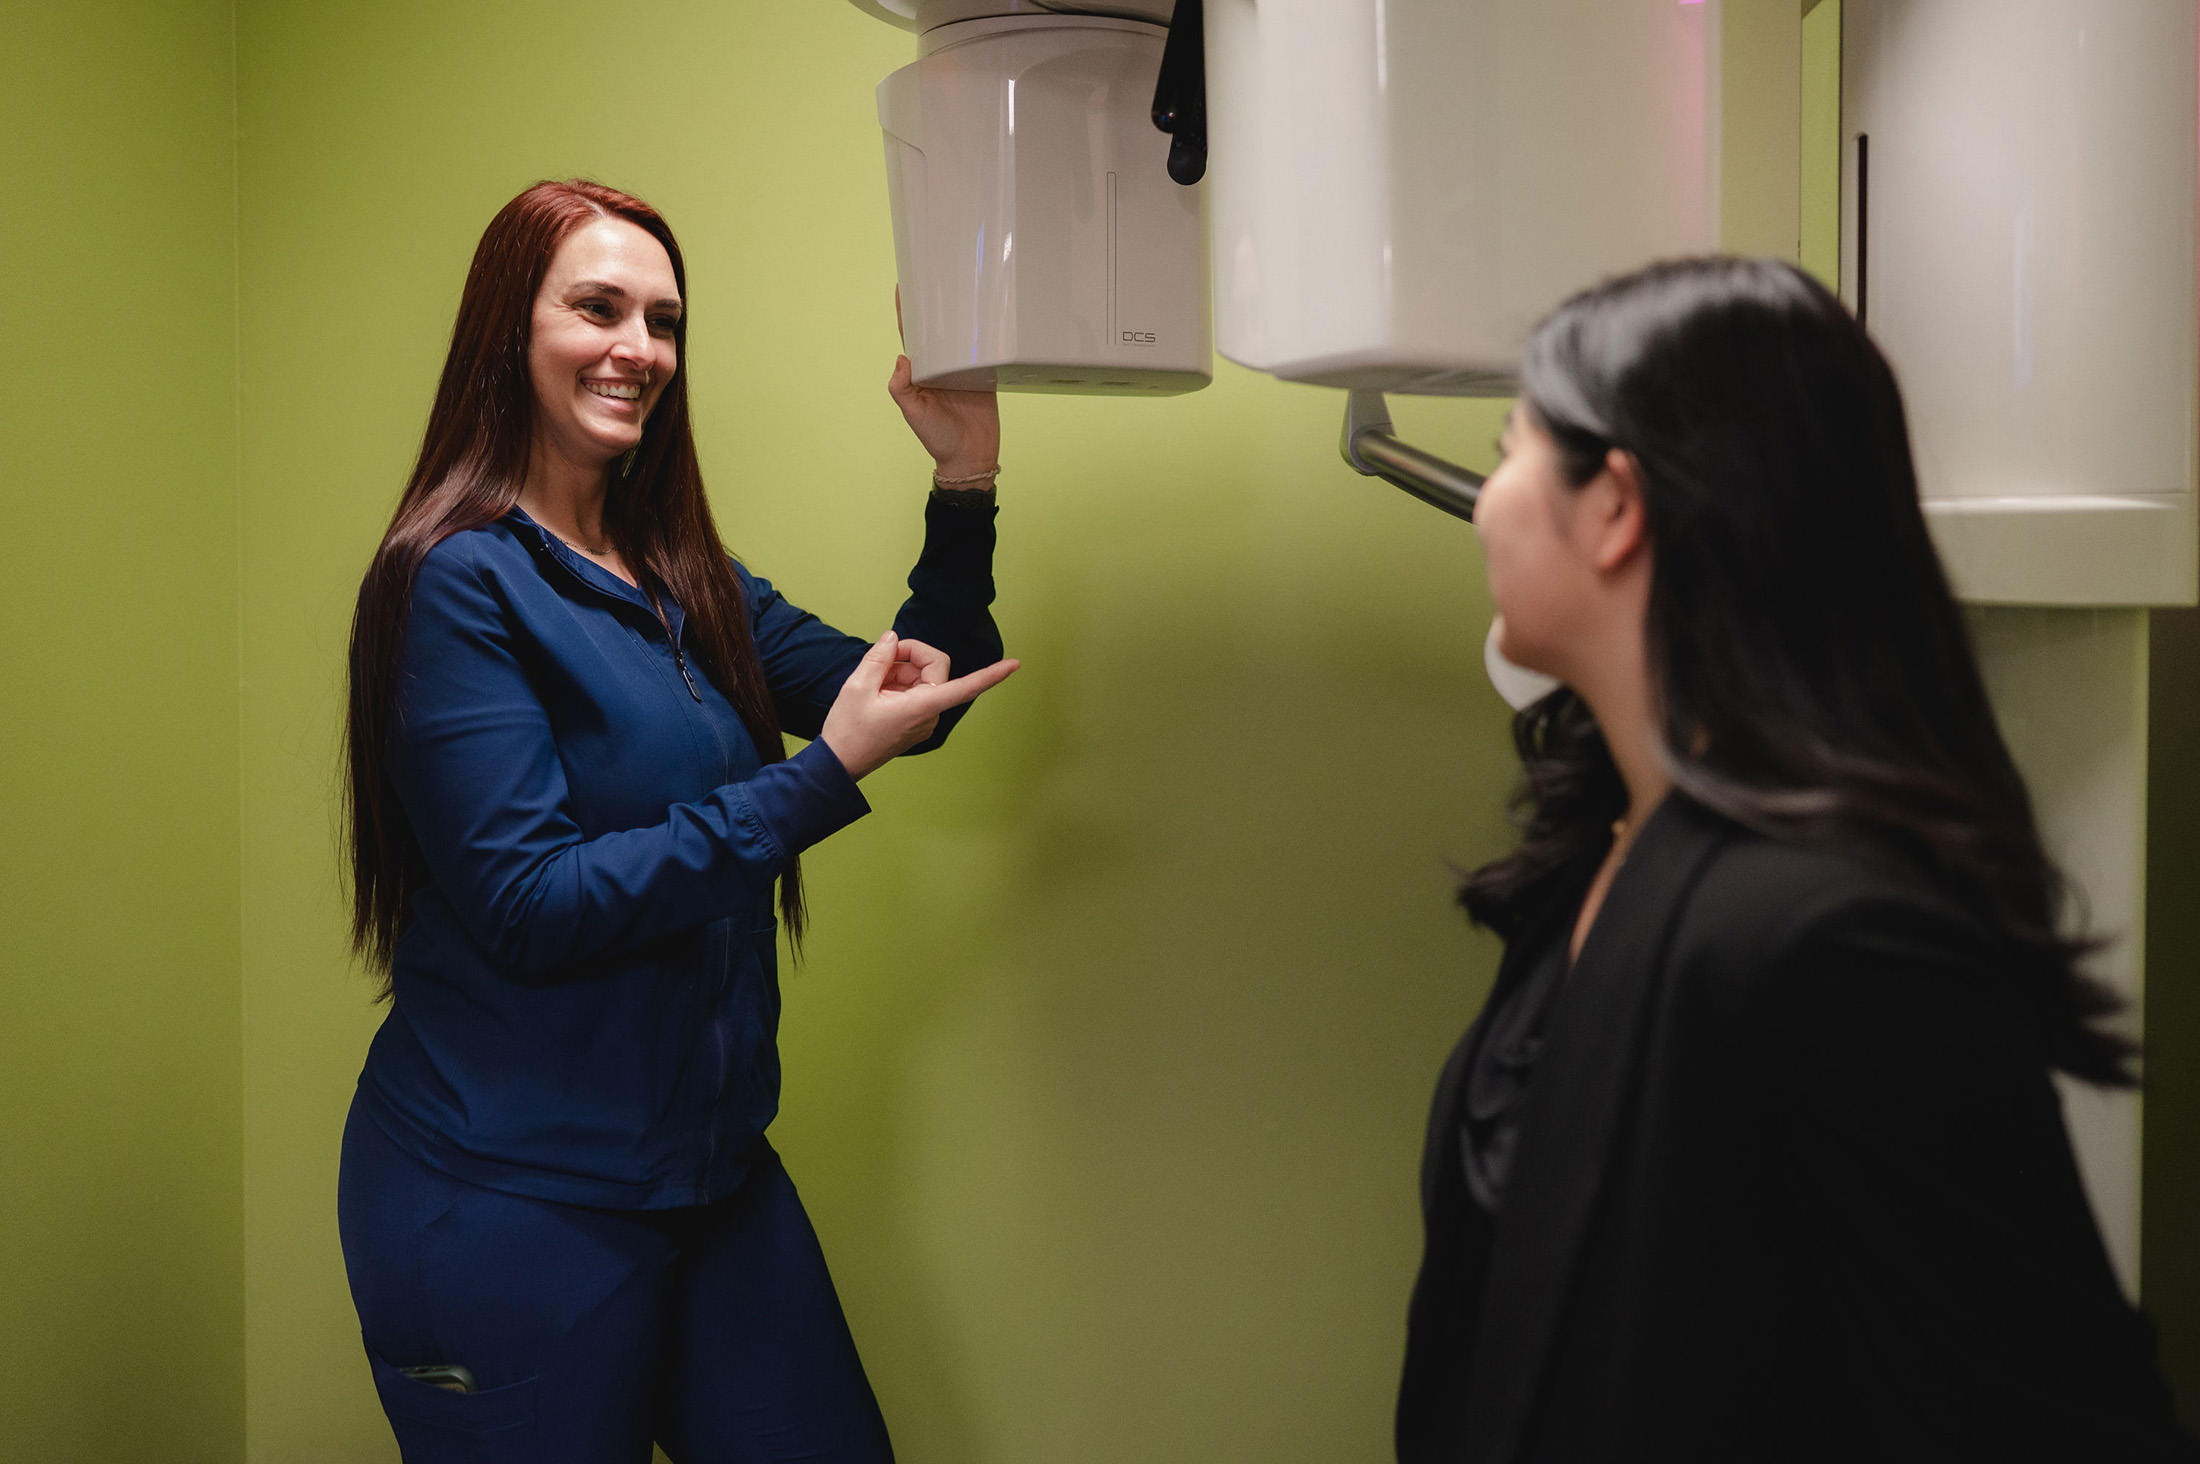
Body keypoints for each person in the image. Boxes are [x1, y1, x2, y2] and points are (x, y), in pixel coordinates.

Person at [1396, 257, 2198, 1463]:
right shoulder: (1592, 859)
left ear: (1614, 508)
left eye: (1509, 447)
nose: (1486, 498)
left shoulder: (1834, 939)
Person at [335, 178, 1015, 1462]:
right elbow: (533, 909)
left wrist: (964, 475)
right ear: (508, 330)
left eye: (663, 320)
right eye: (596, 307)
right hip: (503, 1201)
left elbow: (917, 689)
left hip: (708, 1179)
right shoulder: (451, 582)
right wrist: (824, 779)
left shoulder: (683, 577)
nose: (636, 349)